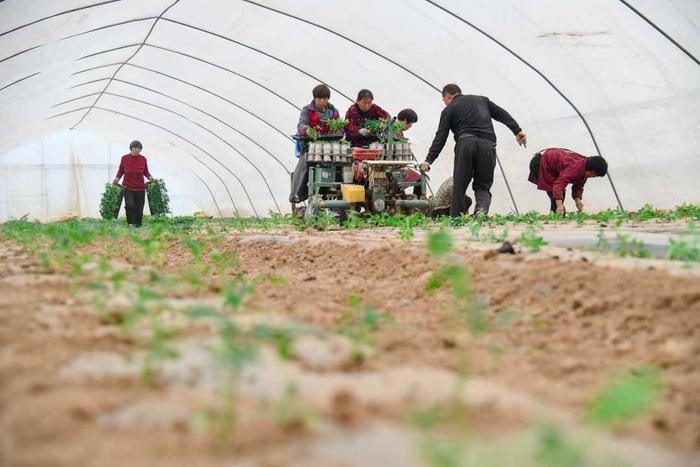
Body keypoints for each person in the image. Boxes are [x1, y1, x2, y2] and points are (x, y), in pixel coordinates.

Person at [419, 84, 527, 217]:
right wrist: (517, 130)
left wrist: (429, 160)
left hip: (465, 145)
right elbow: (502, 114)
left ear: (447, 96)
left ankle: (456, 218)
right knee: (483, 184)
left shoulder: (449, 109)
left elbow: (440, 137)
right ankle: (481, 210)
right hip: (488, 144)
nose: (445, 103)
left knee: (459, 184)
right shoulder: (482, 100)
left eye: (444, 101)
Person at [290, 84, 342, 203]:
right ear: (315, 98)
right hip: (310, 145)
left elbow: (341, 127)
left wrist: (337, 129)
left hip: (330, 146)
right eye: (320, 98)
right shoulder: (307, 110)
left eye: (325, 98)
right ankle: (297, 193)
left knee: (341, 164)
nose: (323, 101)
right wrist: (308, 130)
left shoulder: (333, 111)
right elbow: (301, 125)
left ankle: (336, 190)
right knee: (306, 163)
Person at [528, 148, 608, 215]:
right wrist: (560, 206)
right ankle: (556, 219)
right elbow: (558, 185)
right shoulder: (575, 168)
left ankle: (556, 217)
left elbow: (578, 186)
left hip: (548, 165)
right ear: (592, 172)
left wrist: (578, 201)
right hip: (539, 163)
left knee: (558, 197)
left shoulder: (584, 168)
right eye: (594, 175)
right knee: (557, 197)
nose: (593, 177)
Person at [112, 140, 154, 227]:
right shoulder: (124, 158)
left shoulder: (143, 159)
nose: (137, 150)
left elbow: (145, 171)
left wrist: (150, 177)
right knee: (130, 205)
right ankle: (130, 223)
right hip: (128, 187)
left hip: (140, 188)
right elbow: (121, 171)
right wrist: (117, 178)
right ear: (131, 148)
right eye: (135, 148)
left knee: (139, 208)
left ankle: (138, 225)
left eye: (139, 148)